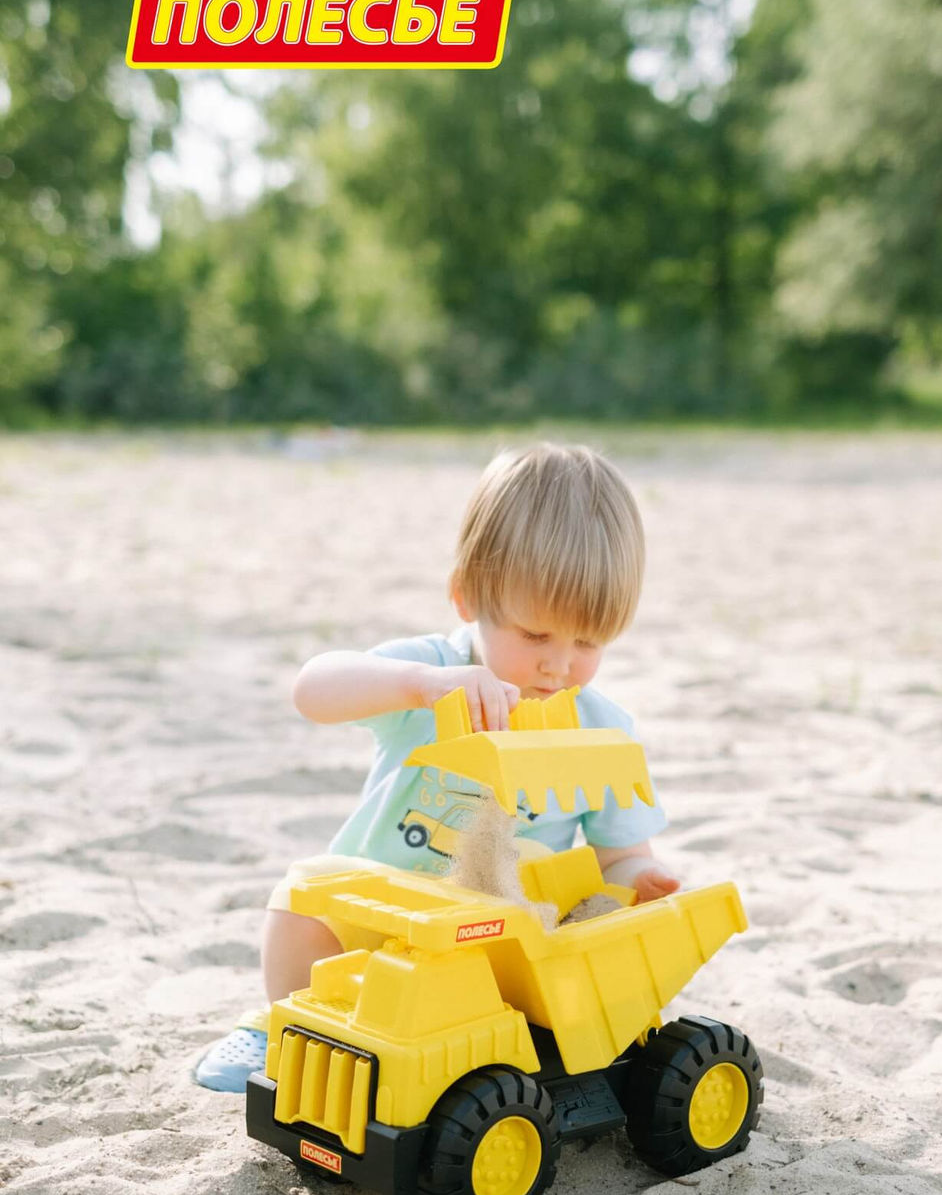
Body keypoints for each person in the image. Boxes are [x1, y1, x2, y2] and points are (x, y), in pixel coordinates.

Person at [195, 442, 678, 1091]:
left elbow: (620, 856)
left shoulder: (601, 727)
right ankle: (288, 1023)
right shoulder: (431, 676)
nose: (558, 664)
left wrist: (643, 879)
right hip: (377, 924)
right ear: (466, 596)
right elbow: (312, 688)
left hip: (496, 948)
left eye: (588, 641)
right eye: (535, 634)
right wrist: (419, 684)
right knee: (303, 900)